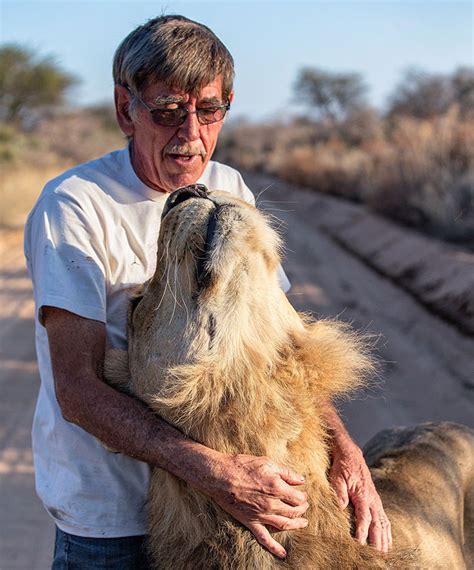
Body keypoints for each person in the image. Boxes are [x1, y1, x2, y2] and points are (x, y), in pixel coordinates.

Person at [24, 15, 392, 569]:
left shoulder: (229, 188)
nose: (190, 134)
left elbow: (282, 347)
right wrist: (212, 472)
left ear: (227, 105)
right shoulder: (75, 205)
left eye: (209, 110)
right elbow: (77, 389)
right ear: (127, 110)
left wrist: (344, 447)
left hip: (220, 512)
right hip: (114, 516)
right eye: (168, 111)